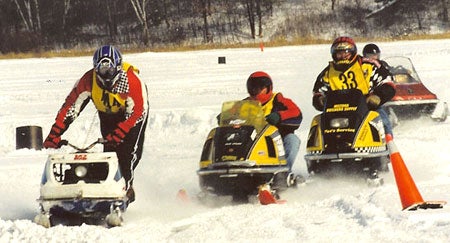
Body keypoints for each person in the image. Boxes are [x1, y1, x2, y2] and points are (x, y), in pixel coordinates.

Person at [43, 45, 149, 204]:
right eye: (102, 69)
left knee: (128, 151)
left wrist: (120, 133)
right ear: (95, 69)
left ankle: (126, 187)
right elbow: (70, 108)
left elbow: (136, 113)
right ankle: (98, 185)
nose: (106, 74)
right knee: (109, 151)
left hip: (134, 114)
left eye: (109, 69)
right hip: (106, 113)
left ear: (118, 68)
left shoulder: (132, 82)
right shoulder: (87, 81)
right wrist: (54, 134)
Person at [312, 37, 395, 134]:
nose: (343, 56)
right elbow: (318, 92)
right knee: (319, 126)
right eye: (339, 53)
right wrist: (320, 100)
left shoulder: (369, 65)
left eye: (346, 53)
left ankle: (390, 145)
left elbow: (388, 82)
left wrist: (378, 96)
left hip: (367, 107)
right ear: (334, 55)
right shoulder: (327, 73)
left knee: (383, 122)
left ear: (352, 52)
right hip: (337, 111)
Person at [246, 71, 302, 171]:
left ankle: (284, 171)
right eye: (254, 88)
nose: (256, 91)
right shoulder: (246, 103)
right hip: (252, 141)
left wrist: (279, 116)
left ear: (268, 88)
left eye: (260, 89)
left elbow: (296, 113)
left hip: (276, 140)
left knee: (293, 140)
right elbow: (231, 112)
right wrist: (225, 116)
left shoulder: (278, 99)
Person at [362, 43, 395, 137]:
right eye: (371, 55)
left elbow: (389, 71)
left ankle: (389, 140)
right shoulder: (362, 66)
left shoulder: (382, 64)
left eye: (376, 55)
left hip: (381, 92)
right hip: (368, 98)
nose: (374, 57)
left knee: (384, 120)